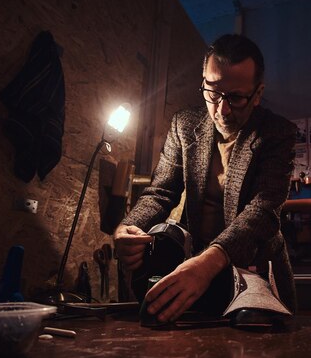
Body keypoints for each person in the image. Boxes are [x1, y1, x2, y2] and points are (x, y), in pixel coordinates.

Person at [113, 34, 297, 324]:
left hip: (256, 272)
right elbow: (160, 192)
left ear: (258, 93)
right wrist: (128, 227)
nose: (222, 110)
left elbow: (262, 212)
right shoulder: (184, 125)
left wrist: (208, 262)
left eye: (235, 97)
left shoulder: (278, 133)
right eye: (212, 92)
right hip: (194, 274)